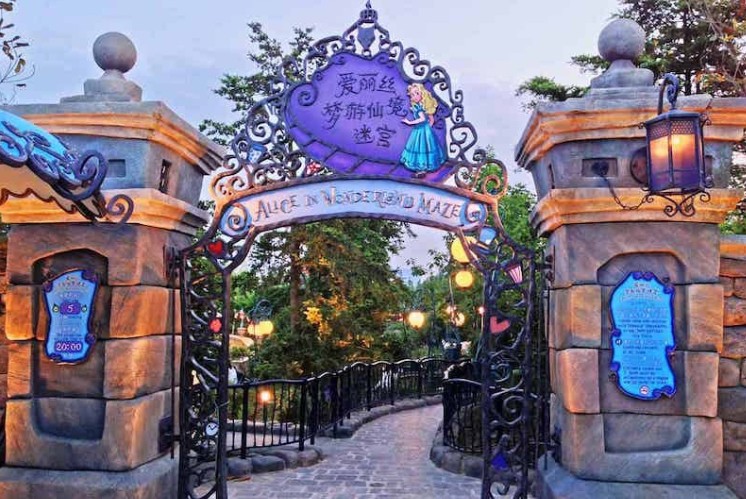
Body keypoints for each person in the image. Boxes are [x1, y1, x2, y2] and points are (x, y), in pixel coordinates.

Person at [399, 83, 446, 176]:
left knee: (421, 147)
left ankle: (422, 168)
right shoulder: (419, 106)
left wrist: (409, 122)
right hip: (424, 130)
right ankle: (422, 167)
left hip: (421, 130)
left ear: (422, 94)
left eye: (417, 93)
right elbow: (431, 120)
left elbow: (422, 119)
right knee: (423, 147)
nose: (414, 96)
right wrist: (428, 129)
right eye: (412, 95)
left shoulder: (419, 108)